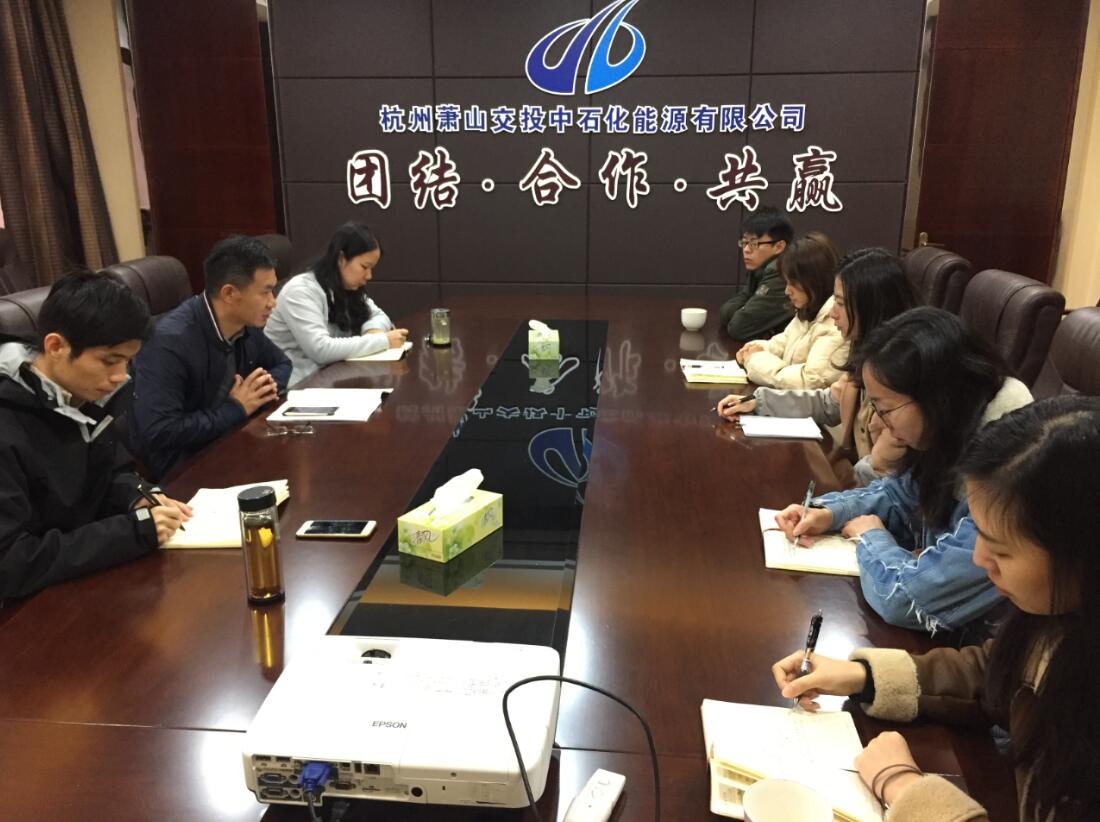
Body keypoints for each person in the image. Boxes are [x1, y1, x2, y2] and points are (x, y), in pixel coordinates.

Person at [772, 396, 1100, 821]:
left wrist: (902, 785)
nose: (979, 559)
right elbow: (995, 675)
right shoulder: (1057, 620)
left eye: (1001, 549)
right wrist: (862, 676)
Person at [775, 307, 1032, 634]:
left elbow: (906, 600)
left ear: (936, 396)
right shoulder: (954, 428)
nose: (879, 423)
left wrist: (871, 538)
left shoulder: (1008, 470)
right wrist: (827, 513)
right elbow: (897, 495)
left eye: (885, 409)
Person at [0, 270, 190, 600]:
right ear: (56, 346)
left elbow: (111, 471)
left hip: (81, 582)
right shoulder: (9, 423)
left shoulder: (82, 393)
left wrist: (137, 495)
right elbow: (11, 562)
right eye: (109, 361)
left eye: (128, 361)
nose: (121, 376)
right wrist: (134, 532)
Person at [718, 249, 920, 485]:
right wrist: (759, 402)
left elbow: (884, 479)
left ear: (872, 307)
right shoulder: (866, 352)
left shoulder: (901, 375)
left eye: (840, 304)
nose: (833, 313)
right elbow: (829, 403)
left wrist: (839, 494)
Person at [129, 235, 291, 480]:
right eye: (266, 292)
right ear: (230, 293)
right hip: (187, 466)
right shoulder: (169, 342)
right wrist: (236, 408)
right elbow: (159, 430)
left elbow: (282, 364)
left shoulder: (245, 324)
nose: (273, 303)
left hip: (232, 439)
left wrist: (257, 392)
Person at [265, 222, 409, 385]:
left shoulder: (346, 285)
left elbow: (379, 315)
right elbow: (321, 350)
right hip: (295, 385)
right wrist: (382, 341)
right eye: (364, 267)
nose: (369, 276)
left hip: (331, 377)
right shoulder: (300, 291)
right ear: (341, 259)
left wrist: (373, 331)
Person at [733, 233, 847, 390]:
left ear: (815, 281)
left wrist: (753, 359)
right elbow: (783, 343)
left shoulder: (837, 322)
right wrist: (754, 348)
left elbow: (809, 381)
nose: (787, 291)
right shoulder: (809, 310)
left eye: (793, 283)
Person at [717, 207, 795, 341]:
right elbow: (725, 312)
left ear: (779, 246)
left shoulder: (780, 273)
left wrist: (742, 310)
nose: (746, 250)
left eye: (754, 243)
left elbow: (739, 327)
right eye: (744, 242)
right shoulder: (759, 268)